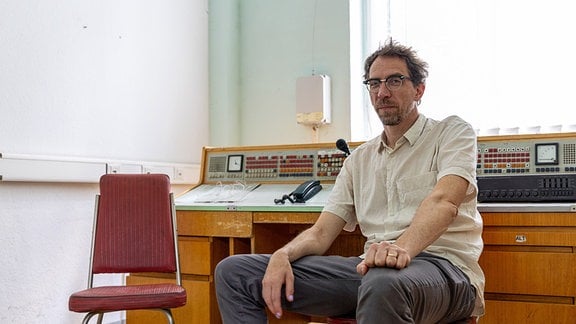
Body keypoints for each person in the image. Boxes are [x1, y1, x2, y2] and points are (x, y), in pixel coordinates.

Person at [215, 39, 485, 324]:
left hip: (445, 272)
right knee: (235, 272)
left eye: (395, 81)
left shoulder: (452, 133)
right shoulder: (359, 160)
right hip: (370, 272)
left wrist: (399, 249)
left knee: (383, 282)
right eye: (374, 83)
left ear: (419, 89)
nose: (382, 92)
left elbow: (443, 202)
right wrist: (283, 254)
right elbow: (321, 234)